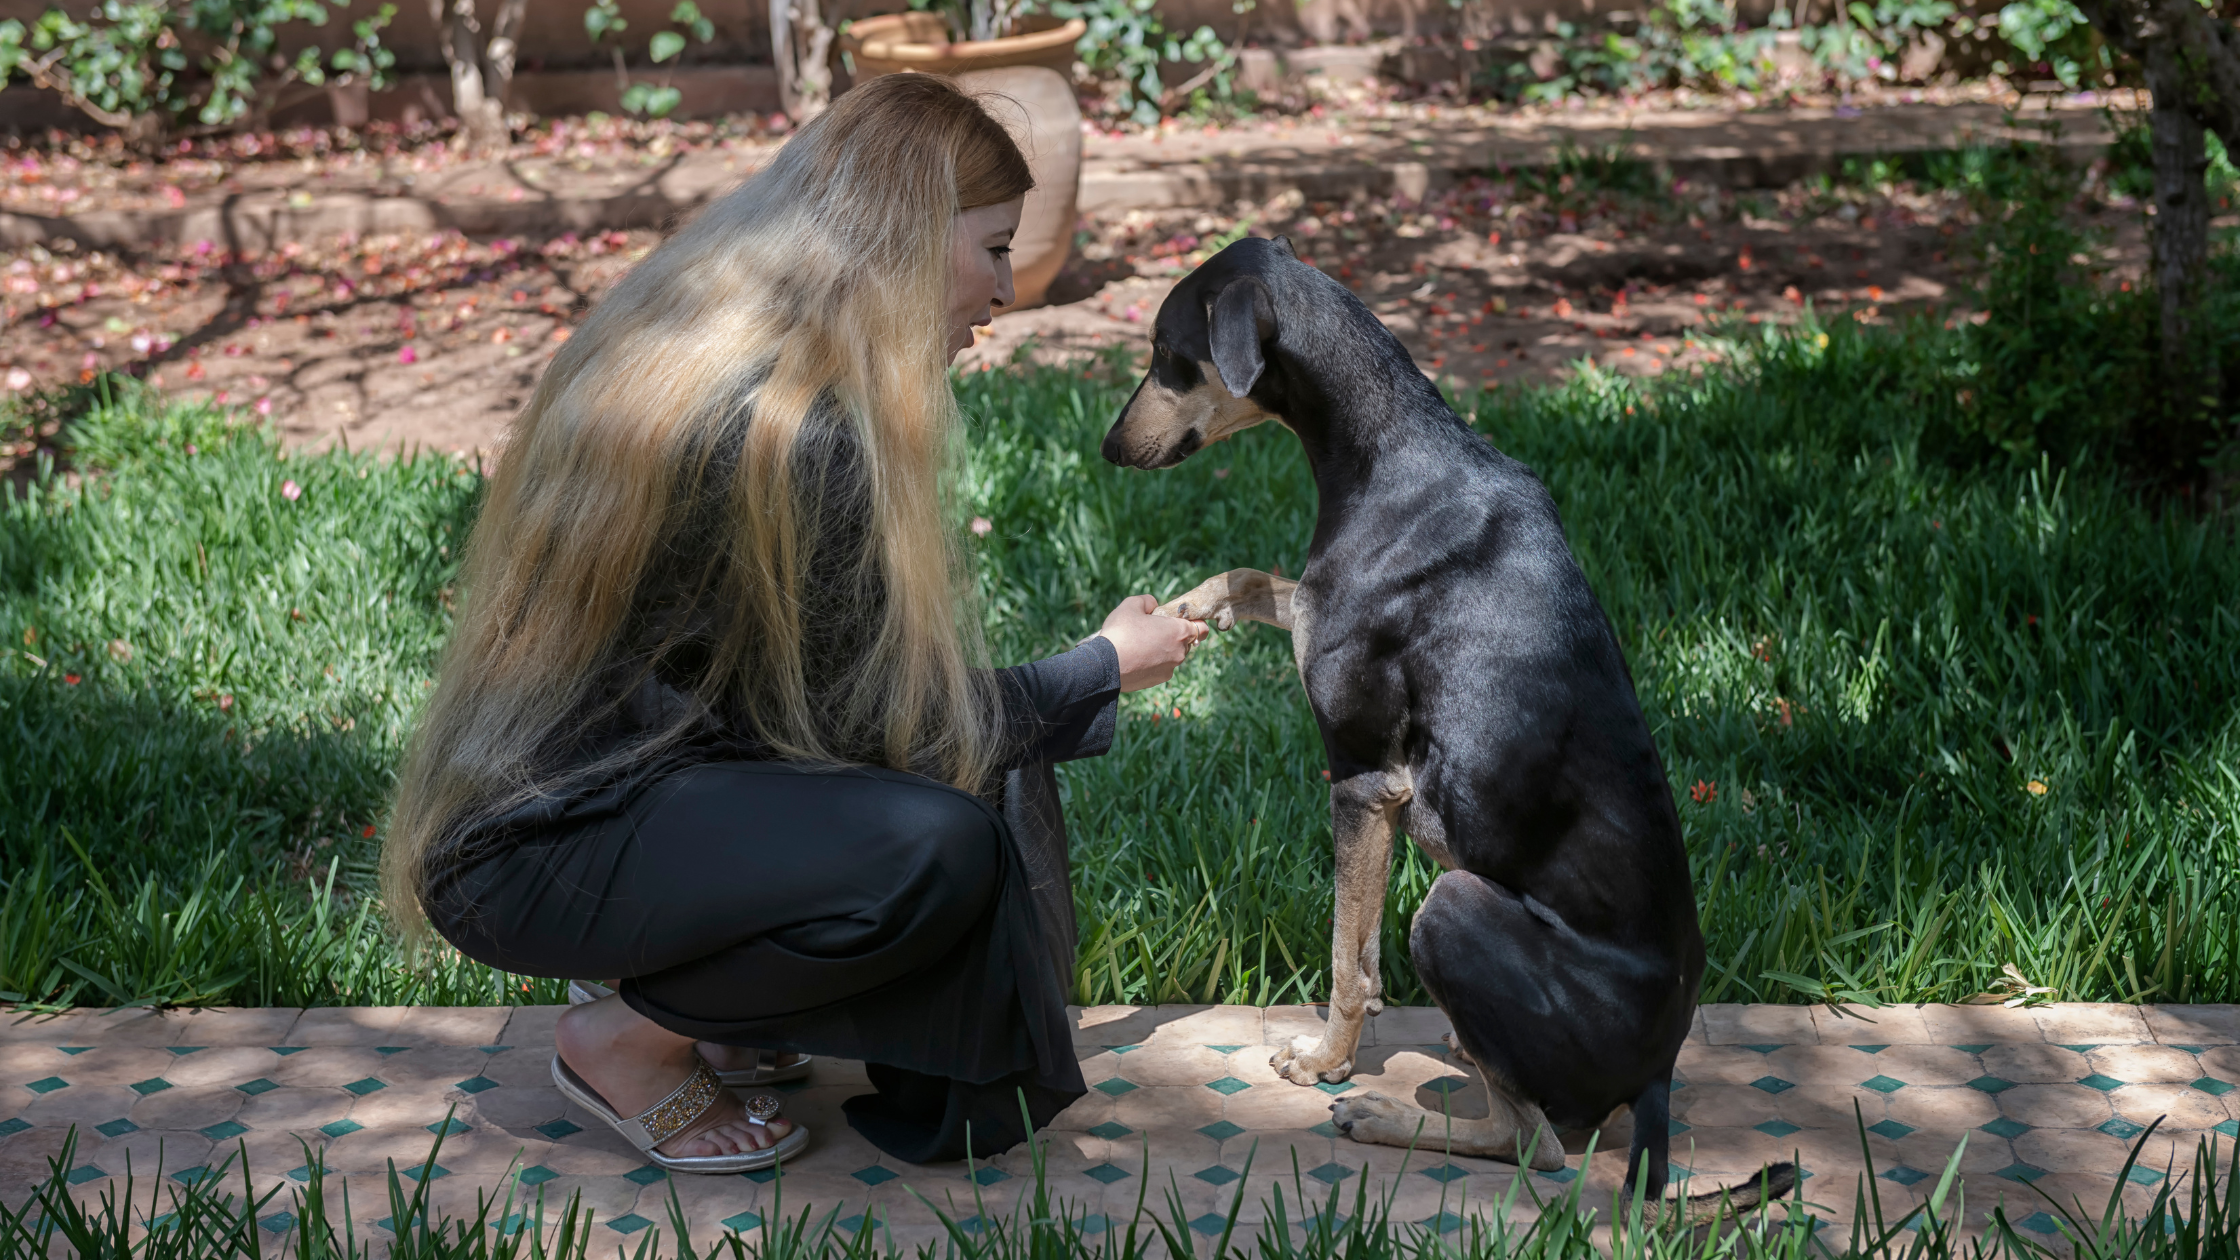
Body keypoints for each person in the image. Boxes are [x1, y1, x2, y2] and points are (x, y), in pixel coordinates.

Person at [382, 74, 1206, 1175]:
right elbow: (881, 728)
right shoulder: (792, 431)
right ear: (905, 238)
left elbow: (786, 703)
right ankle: (625, 1039)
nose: (1004, 287)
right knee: (934, 847)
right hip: (542, 850)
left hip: (565, 811)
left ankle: (711, 1001)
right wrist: (1099, 669)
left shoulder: (721, 351)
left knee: (930, 803)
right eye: (992, 248)